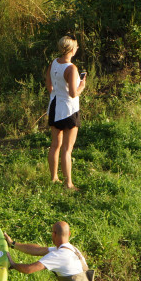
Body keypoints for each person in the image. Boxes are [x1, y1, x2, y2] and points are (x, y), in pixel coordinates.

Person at [45, 35, 86, 190]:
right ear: (71, 49)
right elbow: (74, 94)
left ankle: (54, 177)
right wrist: (82, 85)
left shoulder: (54, 63)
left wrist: (56, 93)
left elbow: (49, 86)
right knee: (67, 149)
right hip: (69, 109)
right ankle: (68, 183)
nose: (77, 49)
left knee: (55, 145)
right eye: (76, 47)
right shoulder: (72, 68)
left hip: (54, 106)